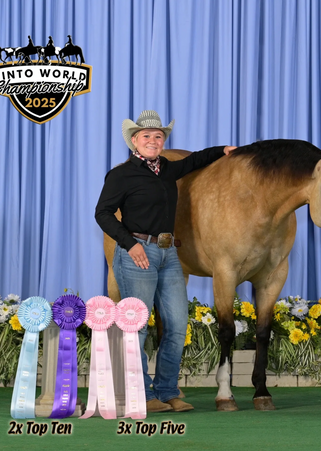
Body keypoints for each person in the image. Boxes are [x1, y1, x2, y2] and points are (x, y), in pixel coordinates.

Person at [95, 110, 235, 412]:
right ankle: (141, 394)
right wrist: (130, 244)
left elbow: (196, 160)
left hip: (169, 254)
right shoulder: (121, 175)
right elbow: (102, 214)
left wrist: (223, 150)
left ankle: (168, 390)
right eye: (146, 136)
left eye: (158, 136)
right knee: (138, 326)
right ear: (134, 140)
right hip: (138, 253)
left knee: (177, 325)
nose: (153, 140)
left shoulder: (168, 169)